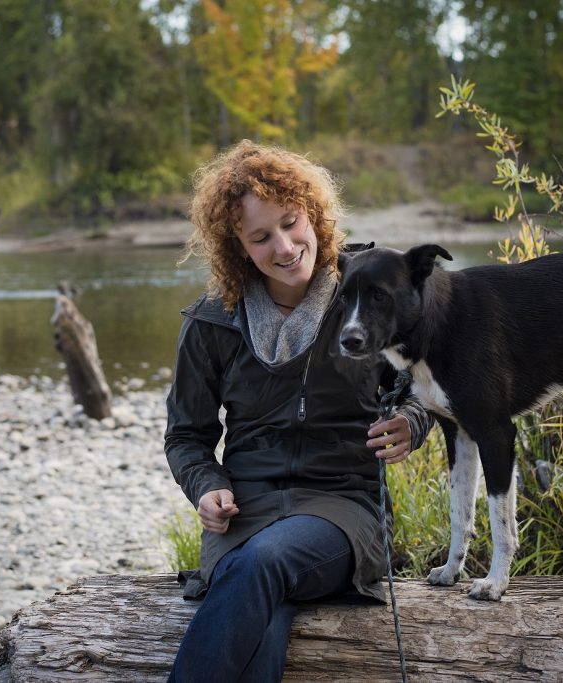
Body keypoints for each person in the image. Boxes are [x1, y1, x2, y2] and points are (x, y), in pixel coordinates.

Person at [165, 141, 431, 681]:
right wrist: (206, 487)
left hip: (345, 508)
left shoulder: (370, 293)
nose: (285, 247)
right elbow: (186, 437)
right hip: (245, 512)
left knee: (264, 563)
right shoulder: (212, 322)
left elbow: (425, 388)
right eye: (260, 237)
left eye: (291, 223)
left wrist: (411, 426)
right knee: (266, 596)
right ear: (236, 245)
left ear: (313, 213)